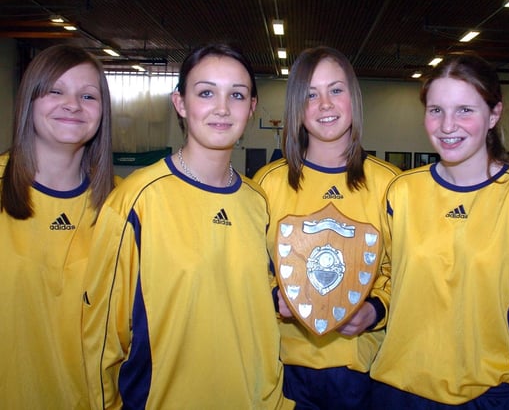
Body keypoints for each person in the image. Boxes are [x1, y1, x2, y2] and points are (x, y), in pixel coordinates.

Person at [81, 43, 293, 409]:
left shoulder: (258, 202)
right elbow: (100, 339)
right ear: (180, 103)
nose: (222, 108)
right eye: (206, 92)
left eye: (237, 95)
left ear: (252, 108)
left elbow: (260, 311)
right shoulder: (135, 201)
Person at [369, 54, 509, 409]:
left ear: (493, 115)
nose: (447, 126)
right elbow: (386, 275)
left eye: (465, 110)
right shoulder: (401, 192)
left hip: (493, 393)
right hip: (401, 389)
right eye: (436, 110)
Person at [253, 46, 399, 409]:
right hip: (287, 371)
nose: (325, 105)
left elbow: (405, 273)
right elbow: (249, 270)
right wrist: (275, 296)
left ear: (354, 97)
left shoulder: (391, 185)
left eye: (336, 90)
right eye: (310, 94)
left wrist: (376, 309)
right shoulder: (268, 184)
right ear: (296, 107)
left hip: (365, 373)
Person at [0, 44, 115, 408]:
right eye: (55, 90)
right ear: (29, 101)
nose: (73, 104)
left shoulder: (123, 203)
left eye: (88, 95)